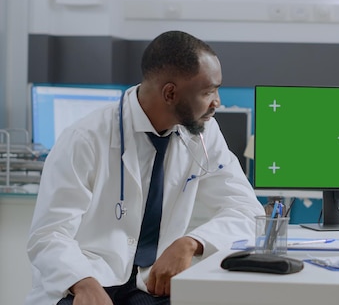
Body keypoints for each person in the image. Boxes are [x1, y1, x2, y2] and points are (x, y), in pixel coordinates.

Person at [26, 30, 265, 305]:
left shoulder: (203, 133)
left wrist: (190, 242)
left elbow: (247, 210)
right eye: (208, 91)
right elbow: (48, 234)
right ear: (170, 93)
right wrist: (82, 282)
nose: (217, 102)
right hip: (87, 277)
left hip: (148, 284)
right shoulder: (85, 138)